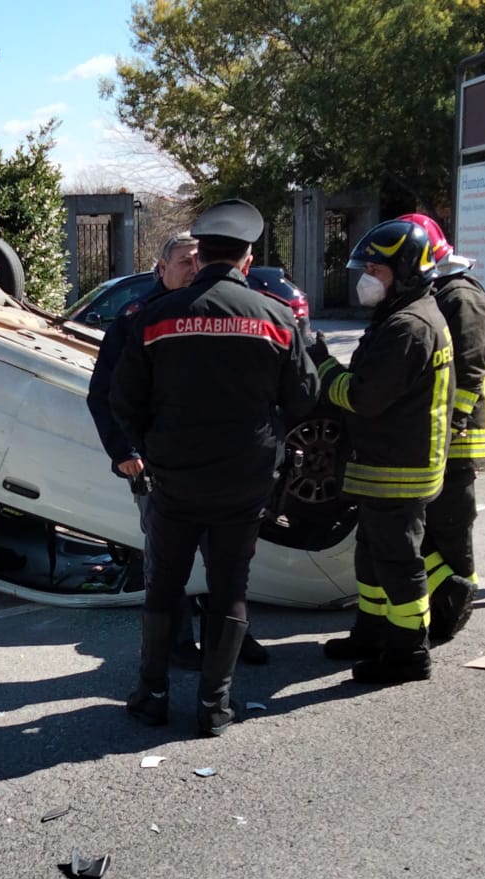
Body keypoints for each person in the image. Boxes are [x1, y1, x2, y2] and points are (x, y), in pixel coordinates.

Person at [111, 199, 318, 736]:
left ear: (200, 256)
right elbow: (302, 399)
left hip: (174, 479)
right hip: (245, 482)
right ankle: (214, 706)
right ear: (247, 261)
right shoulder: (276, 319)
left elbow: (124, 399)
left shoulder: (154, 318)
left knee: (165, 585)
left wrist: (156, 444)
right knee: (230, 587)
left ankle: (152, 695)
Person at [87, 235, 273, 671]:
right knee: (168, 562)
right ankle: (173, 641)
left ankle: (227, 634)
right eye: (184, 262)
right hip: (161, 465)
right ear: (161, 268)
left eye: (198, 261)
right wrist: (126, 450)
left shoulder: (218, 312)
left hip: (221, 463)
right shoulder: (137, 319)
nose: (193, 269)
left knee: (224, 559)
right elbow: (106, 394)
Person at [316, 219, 453, 684]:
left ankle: (408, 653)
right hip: (385, 464)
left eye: (377, 267)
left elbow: (364, 397)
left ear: (407, 270)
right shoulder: (402, 314)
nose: (367, 276)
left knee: (398, 563)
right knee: (371, 557)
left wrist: (324, 371)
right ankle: (371, 632)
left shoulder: (410, 326)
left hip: (400, 469)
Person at [398, 213, 485, 642]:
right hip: (435, 432)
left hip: (455, 437)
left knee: (452, 525)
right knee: (431, 526)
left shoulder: (462, 298)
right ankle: (444, 599)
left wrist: (453, 423)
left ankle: (459, 600)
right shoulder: (438, 292)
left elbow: (471, 371)